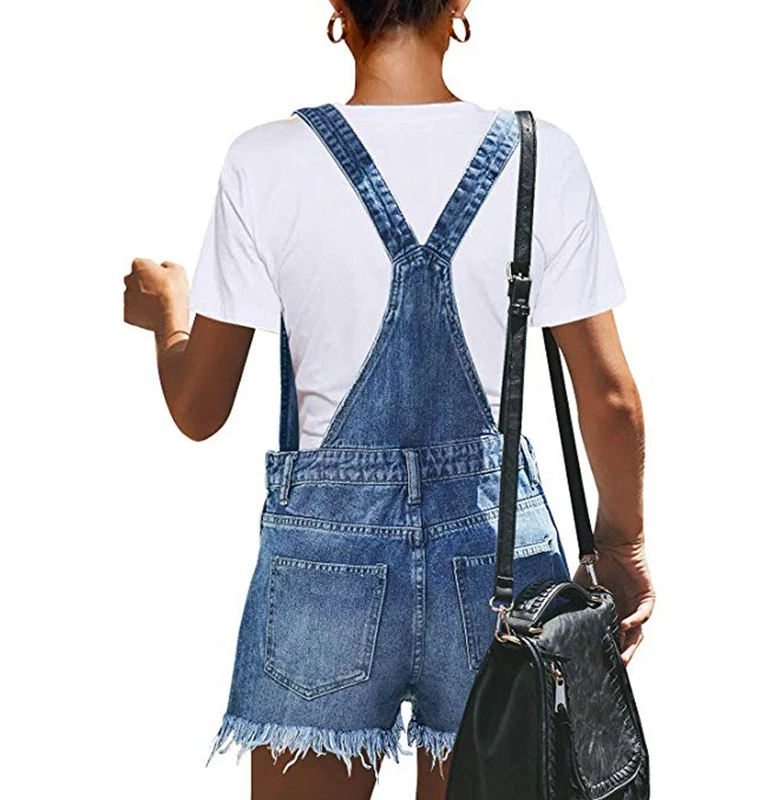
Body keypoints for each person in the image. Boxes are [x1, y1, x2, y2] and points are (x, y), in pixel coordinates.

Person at [122, 1, 655, 798]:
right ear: (460, 7)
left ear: (338, 10)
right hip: (495, 561)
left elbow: (199, 410)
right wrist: (623, 549)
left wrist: (167, 315)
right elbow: (610, 401)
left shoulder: (265, 162)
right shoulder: (542, 158)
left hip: (324, 564)